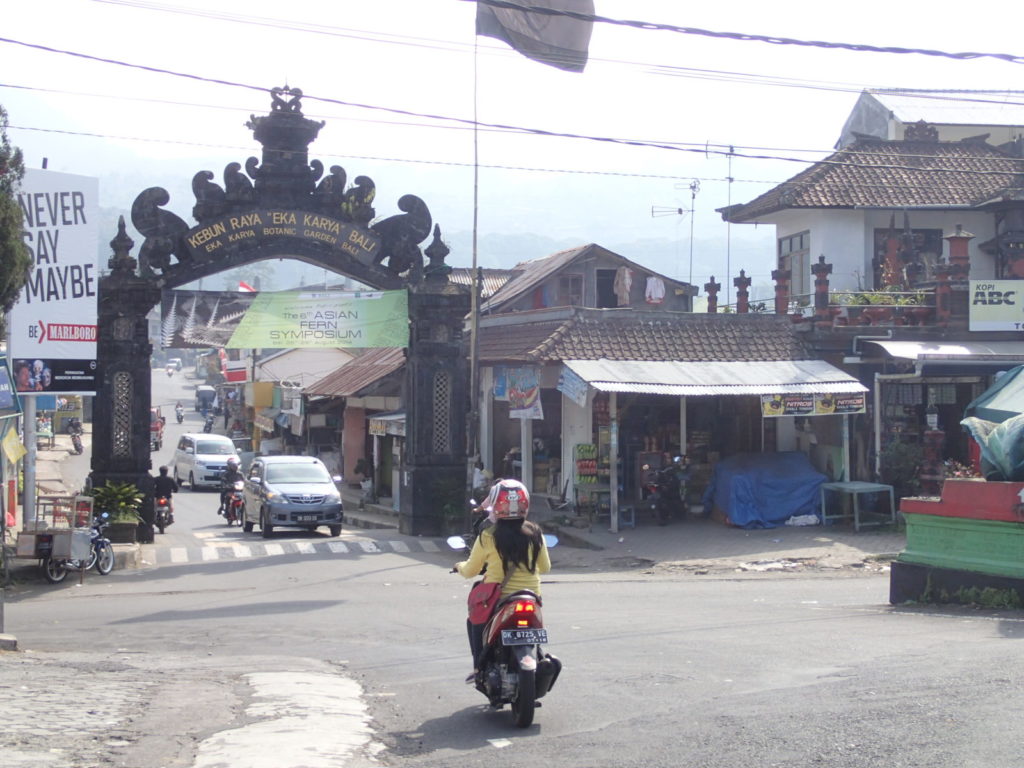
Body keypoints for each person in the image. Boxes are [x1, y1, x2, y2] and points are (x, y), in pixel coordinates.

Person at [454, 478, 550, 683]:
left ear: (496, 506)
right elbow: (546, 568)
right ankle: (539, 655)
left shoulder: (487, 536)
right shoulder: (535, 533)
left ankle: (479, 667)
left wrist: (458, 566)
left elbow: (471, 570)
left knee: (474, 619)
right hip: (532, 597)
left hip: (498, 599)